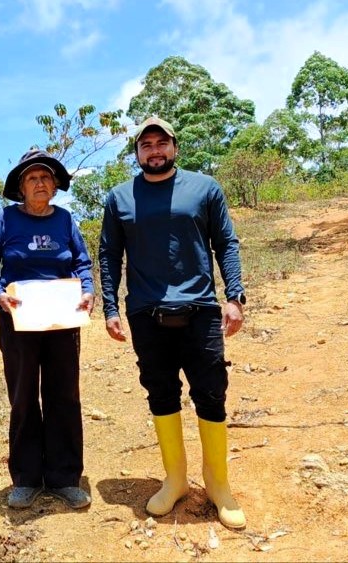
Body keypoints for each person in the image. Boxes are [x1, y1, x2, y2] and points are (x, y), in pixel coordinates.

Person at [98, 117, 247, 529]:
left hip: (201, 309)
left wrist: (234, 297)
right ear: (137, 153)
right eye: (146, 144)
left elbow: (226, 243)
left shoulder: (204, 188)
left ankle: (218, 484)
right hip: (146, 313)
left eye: (161, 142)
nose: (154, 150)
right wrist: (110, 308)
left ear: (175, 147)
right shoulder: (119, 198)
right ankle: (176, 479)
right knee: (161, 393)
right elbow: (109, 255)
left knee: (211, 393)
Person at [0, 149, 95, 510]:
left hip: (62, 321)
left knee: (64, 395)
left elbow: (82, 262)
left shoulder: (65, 220)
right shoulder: (5, 220)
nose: (39, 183)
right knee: (23, 396)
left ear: (54, 185)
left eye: (45, 177)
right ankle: (26, 479)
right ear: (21, 187)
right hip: (19, 321)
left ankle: (64, 478)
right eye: (32, 178)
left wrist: (87, 290)